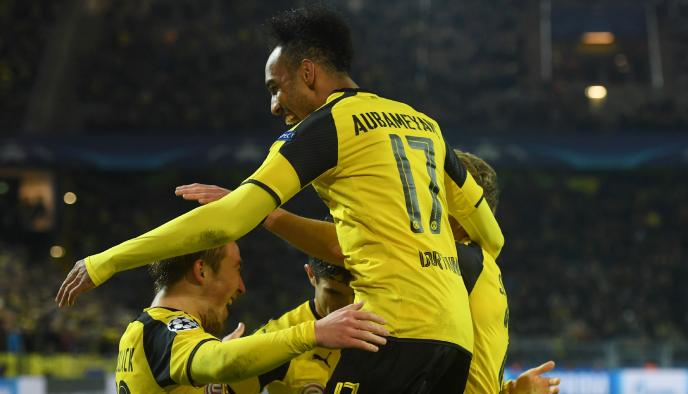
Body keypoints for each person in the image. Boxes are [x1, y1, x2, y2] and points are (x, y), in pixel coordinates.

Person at [56, 6, 503, 392]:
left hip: (387, 331)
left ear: (308, 72)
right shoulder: (424, 124)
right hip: (454, 339)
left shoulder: (328, 126)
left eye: (275, 86)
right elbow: (491, 235)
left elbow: (225, 223)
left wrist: (108, 260)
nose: (273, 105)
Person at [174, 151, 559, 394]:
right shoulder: (476, 273)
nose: (419, 204)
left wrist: (260, 209)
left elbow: (341, 246)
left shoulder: (455, 261)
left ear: (458, 214)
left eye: (432, 194)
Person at [115, 239, 388, 393]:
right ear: (202, 271)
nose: (242, 287)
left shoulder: (144, 332)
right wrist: (313, 332)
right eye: (236, 269)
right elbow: (218, 361)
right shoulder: (166, 331)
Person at [229, 256, 354, 394]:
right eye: (334, 293)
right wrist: (227, 363)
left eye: (357, 293)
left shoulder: (379, 325)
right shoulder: (277, 337)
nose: (348, 305)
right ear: (311, 274)